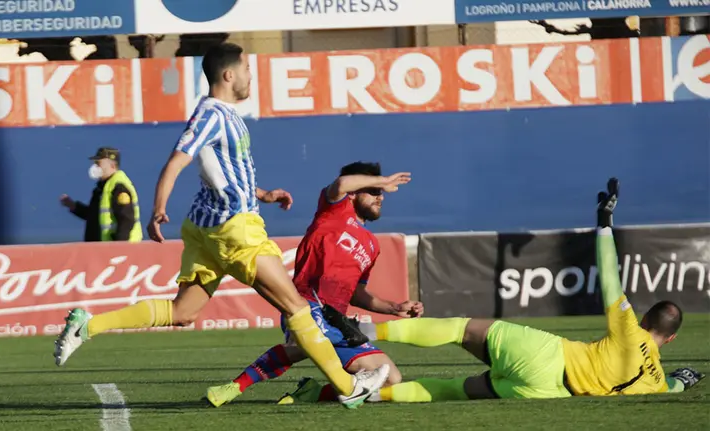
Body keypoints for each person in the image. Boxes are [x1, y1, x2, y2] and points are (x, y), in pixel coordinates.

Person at [53, 43, 390, 409]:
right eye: (246, 69)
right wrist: (158, 208)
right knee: (297, 307)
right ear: (229, 75)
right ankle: (347, 385)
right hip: (234, 230)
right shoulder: (211, 114)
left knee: (183, 312)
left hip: (206, 227)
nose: (249, 76)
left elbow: (216, 171)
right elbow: (176, 161)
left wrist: (262, 193)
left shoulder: (224, 115)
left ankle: (87, 325)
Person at [358, 178, 705, 403]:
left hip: (548, 356)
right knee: (453, 390)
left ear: (644, 318)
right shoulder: (657, 381)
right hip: (545, 393)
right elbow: (673, 385)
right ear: (671, 340)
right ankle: (373, 398)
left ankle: (362, 330)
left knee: (460, 329)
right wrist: (683, 381)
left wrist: (603, 224)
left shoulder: (631, 330)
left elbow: (610, 278)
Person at [204, 162, 421, 407]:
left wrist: (395, 308)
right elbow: (341, 184)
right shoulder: (333, 210)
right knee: (305, 344)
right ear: (354, 193)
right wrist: (382, 180)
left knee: (391, 377)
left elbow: (357, 293)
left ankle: (312, 392)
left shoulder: (372, 245)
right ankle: (234, 387)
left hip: (337, 320)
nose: (380, 196)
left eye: (380, 192)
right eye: (372, 190)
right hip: (305, 305)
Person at [60, 147, 142, 242]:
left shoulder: (119, 187)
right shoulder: (101, 189)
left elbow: (126, 220)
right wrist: (74, 206)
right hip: (99, 248)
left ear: (112, 165)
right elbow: (95, 215)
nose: (95, 167)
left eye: (98, 163)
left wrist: (119, 247)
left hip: (115, 250)